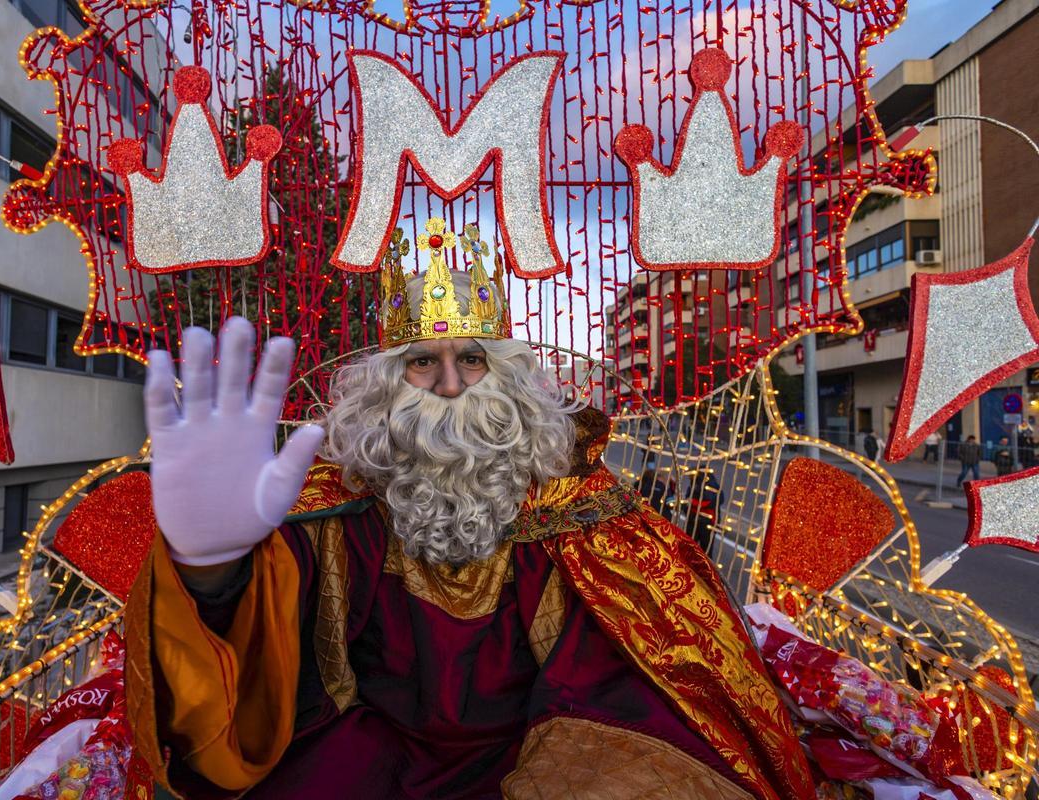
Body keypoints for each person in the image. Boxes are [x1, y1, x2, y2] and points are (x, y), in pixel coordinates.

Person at [124, 224, 813, 800]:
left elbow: (629, 672)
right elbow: (263, 657)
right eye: (423, 362)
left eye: (474, 360)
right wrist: (209, 570)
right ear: (388, 383)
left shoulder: (578, 504)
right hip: (372, 752)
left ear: (509, 375)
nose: (451, 385)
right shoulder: (337, 507)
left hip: (544, 744)